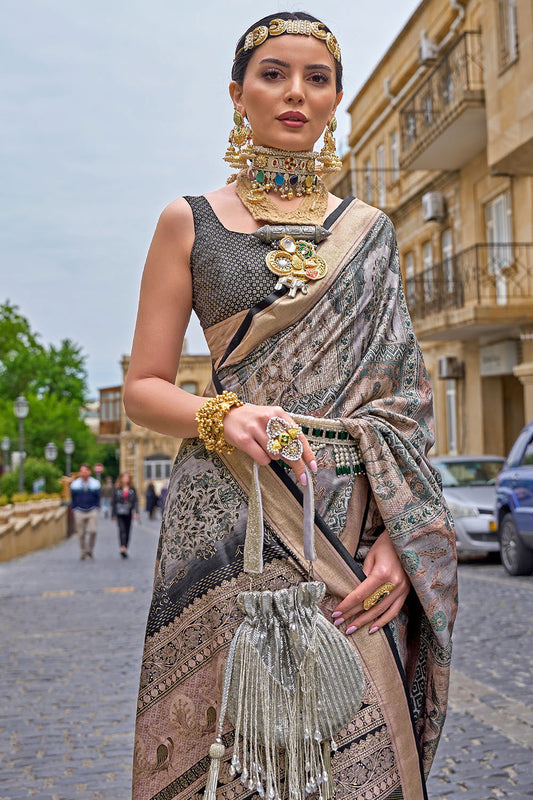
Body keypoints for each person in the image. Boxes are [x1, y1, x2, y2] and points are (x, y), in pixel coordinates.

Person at [125, 12, 458, 800]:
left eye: (317, 78)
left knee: (353, 741)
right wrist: (221, 416)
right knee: (228, 745)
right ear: (237, 93)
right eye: (273, 73)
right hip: (227, 510)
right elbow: (145, 385)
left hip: (345, 518)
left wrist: (398, 543)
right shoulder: (190, 221)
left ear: (336, 98)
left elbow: (401, 404)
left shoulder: (369, 231)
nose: (295, 94)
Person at [70, 464, 101, 560]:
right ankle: (83, 551)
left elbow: (98, 496)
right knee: (81, 533)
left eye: (85, 471)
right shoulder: (75, 484)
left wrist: (96, 507)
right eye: (81, 471)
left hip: (92, 509)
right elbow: (73, 497)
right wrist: (74, 508)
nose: (83, 473)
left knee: (93, 531)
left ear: (89, 472)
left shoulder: (95, 483)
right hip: (79, 510)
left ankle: (90, 549)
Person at [111, 472, 139, 558]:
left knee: (127, 530)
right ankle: (123, 547)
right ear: (121, 478)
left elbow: (135, 501)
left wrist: (136, 512)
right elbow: (114, 502)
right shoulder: (117, 488)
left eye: (128, 477)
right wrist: (113, 514)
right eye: (124, 477)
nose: (126, 479)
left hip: (129, 511)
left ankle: (126, 546)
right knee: (122, 529)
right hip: (119, 512)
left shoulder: (132, 489)